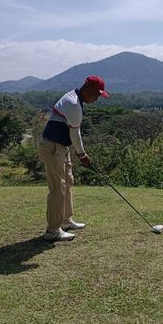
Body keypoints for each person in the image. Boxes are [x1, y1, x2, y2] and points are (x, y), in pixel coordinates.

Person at [38, 75, 109, 241]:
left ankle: (65, 221)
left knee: (68, 183)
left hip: (61, 146)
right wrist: (82, 155)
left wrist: (77, 153)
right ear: (87, 89)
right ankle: (53, 231)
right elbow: (75, 134)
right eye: (96, 95)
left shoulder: (75, 98)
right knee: (58, 187)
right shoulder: (73, 104)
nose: (97, 98)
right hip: (53, 146)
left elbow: (72, 135)